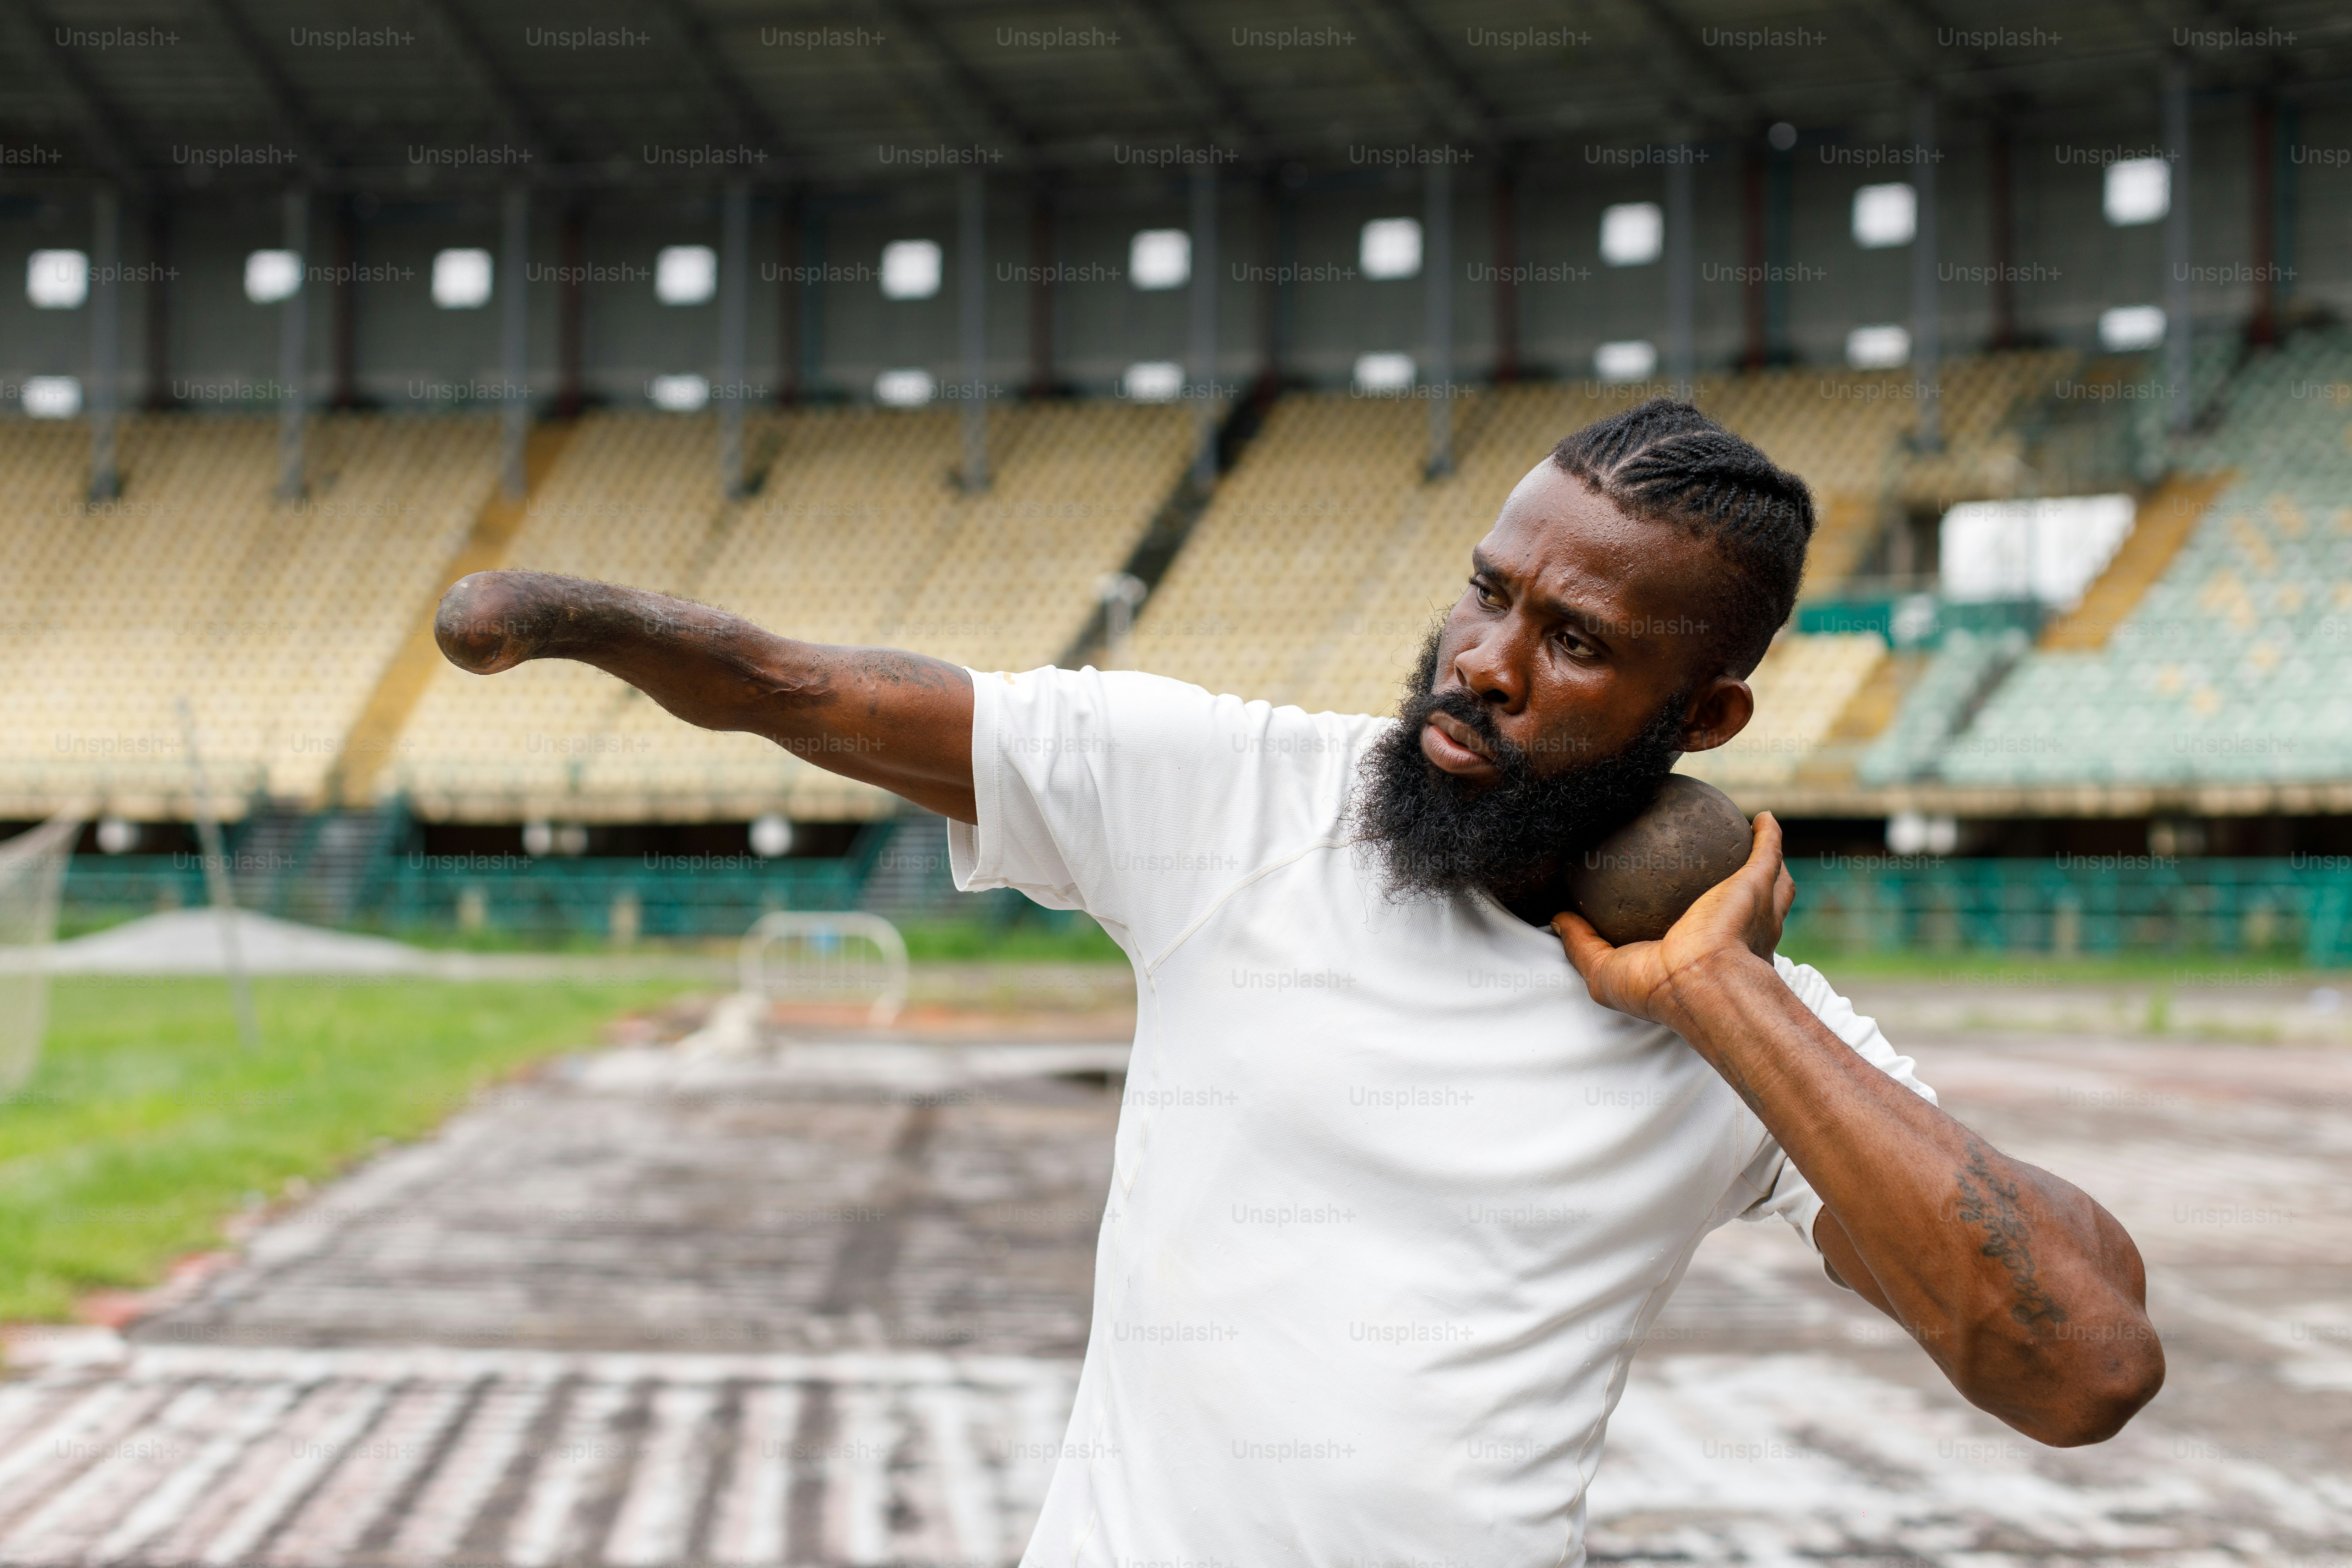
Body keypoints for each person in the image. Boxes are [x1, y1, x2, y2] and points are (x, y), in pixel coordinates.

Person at [435, 398, 2161, 1564]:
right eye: (1488, 592)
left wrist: (1717, 1003)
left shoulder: (1751, 1029)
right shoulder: (1240, 799)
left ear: (1703, 722)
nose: (1481, 662)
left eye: (1574, 644)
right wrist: (557, 613)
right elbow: (800, 688)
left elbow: (2077, 1365)